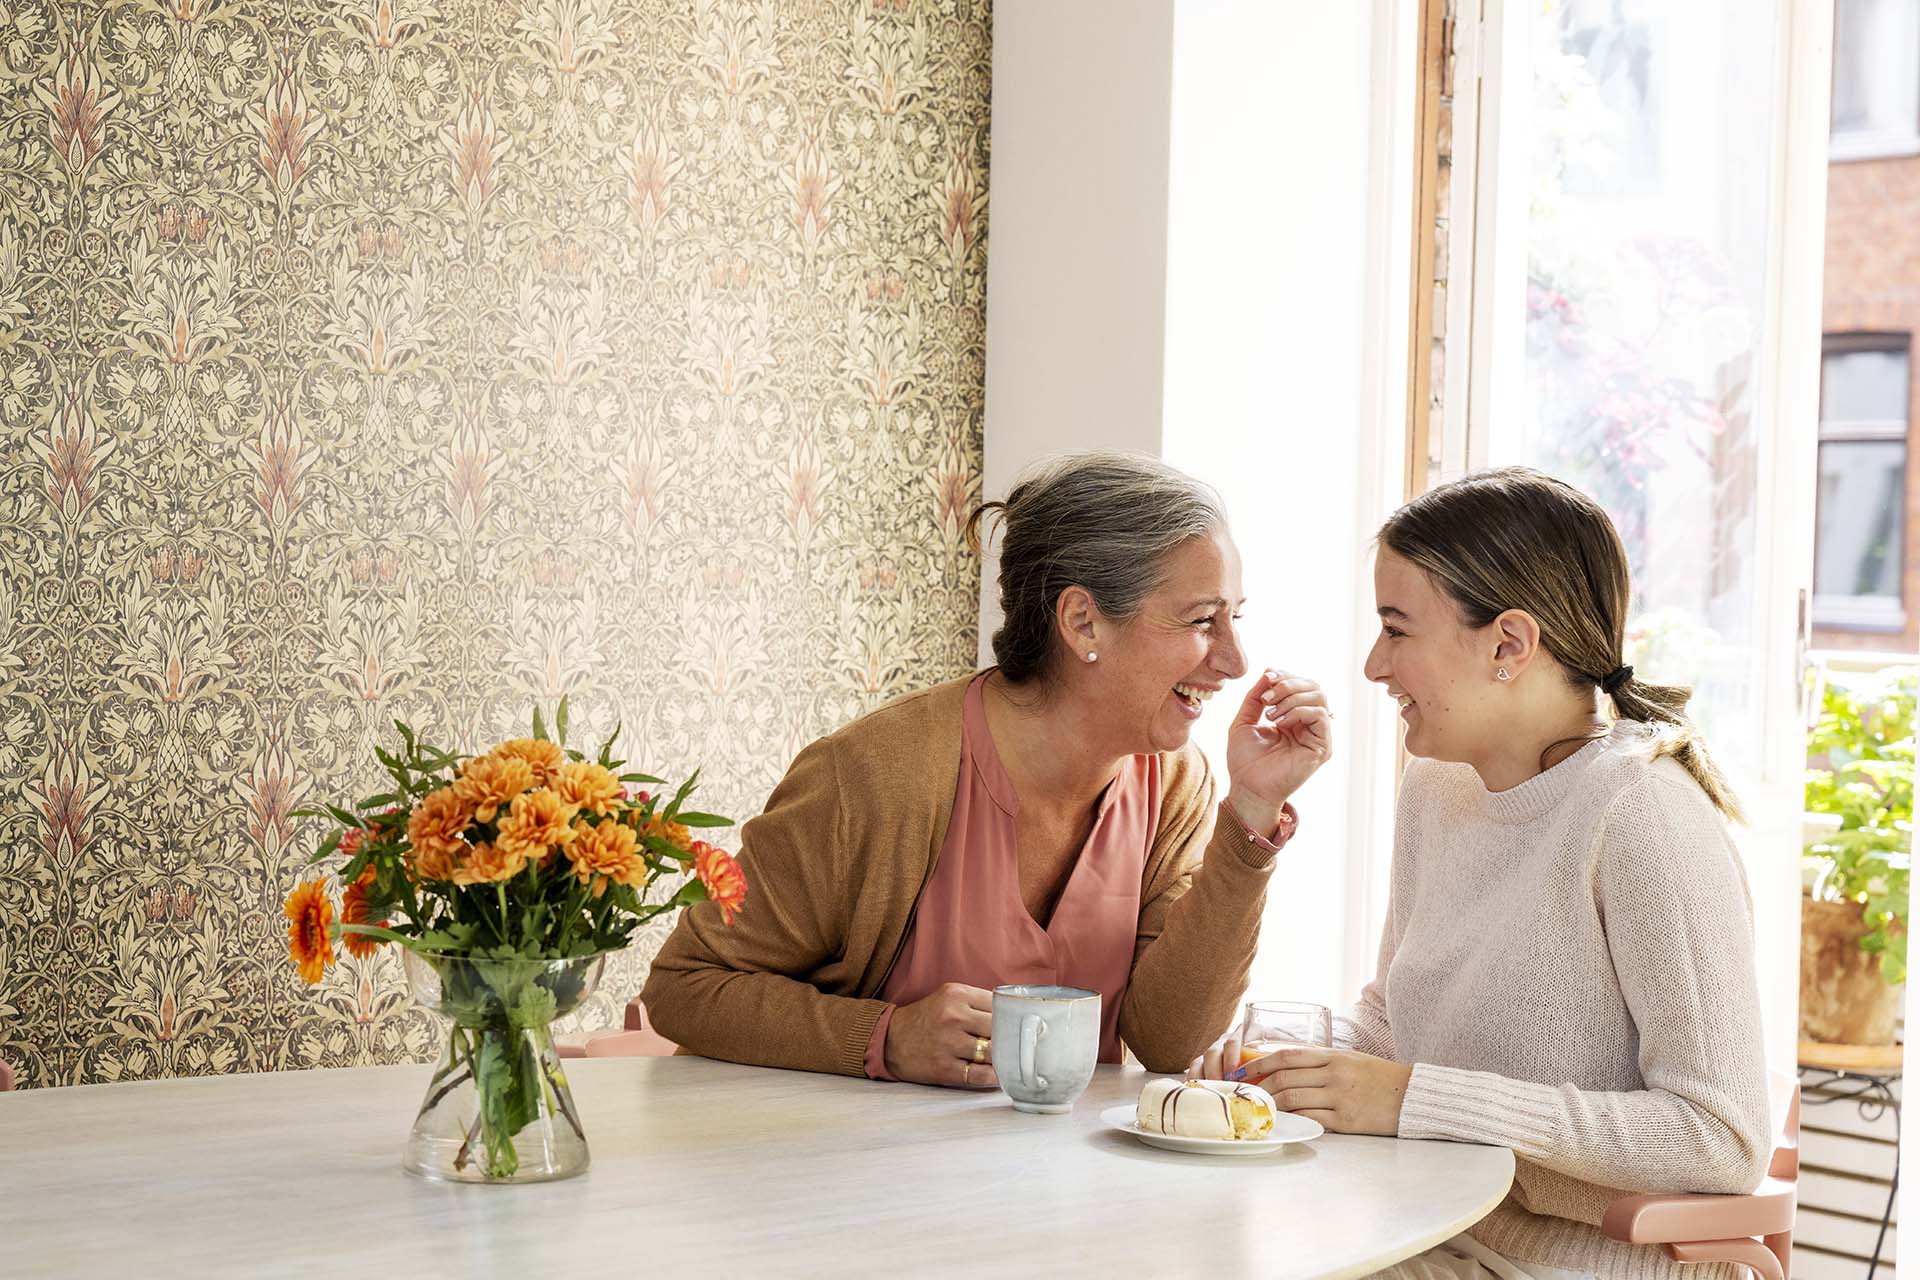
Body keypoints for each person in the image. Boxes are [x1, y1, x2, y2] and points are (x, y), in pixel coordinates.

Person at [1196, 467, 1769, 1280]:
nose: (1371, 665)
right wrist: (1278, 1056)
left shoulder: (1643, 814)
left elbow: (1723, 1139)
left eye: (1397, 630)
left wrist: (1411, 1101)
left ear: (1509, 643)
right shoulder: (1439, 786)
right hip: (1421, 1235)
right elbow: (1399, 1031)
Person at [644, 452, 1331, 1086]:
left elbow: (1168, 1042)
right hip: (843, 1192)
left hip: (1055, 1198)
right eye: (1203, 621)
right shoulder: (879, 775)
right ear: (1083, 623)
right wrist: (884, 1037)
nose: (1236, 660)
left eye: (1234, 617)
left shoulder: (1175, 785)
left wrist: (1250, 814)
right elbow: (685, 986)